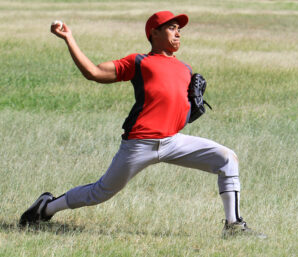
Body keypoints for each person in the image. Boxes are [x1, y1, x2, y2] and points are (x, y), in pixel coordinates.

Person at [19, 11, 262, 238]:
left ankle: (233, 225)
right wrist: (69, 38)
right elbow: (93, 72)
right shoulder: (139, 62)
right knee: (100, 192)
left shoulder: (185, 69)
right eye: (171, 28)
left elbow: (181, 113)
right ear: (154, 33)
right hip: (139, 144)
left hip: (173, 141)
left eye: (179, 29)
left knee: (227, 158)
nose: (178, 33)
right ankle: (46, 207)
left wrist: (190, 111)